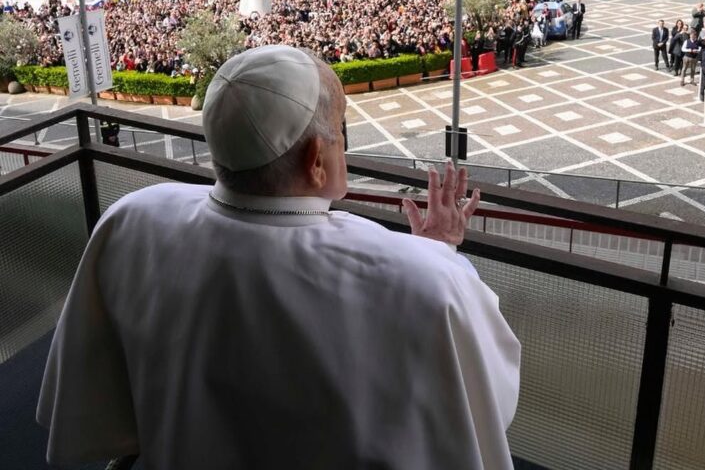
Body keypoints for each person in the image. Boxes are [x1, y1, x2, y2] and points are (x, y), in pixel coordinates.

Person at [37, 46, 521, 469]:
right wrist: (439, 252)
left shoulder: (134, 217)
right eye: (340, 130)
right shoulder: (422, 277)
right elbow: (486, 402)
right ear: (316, 159)